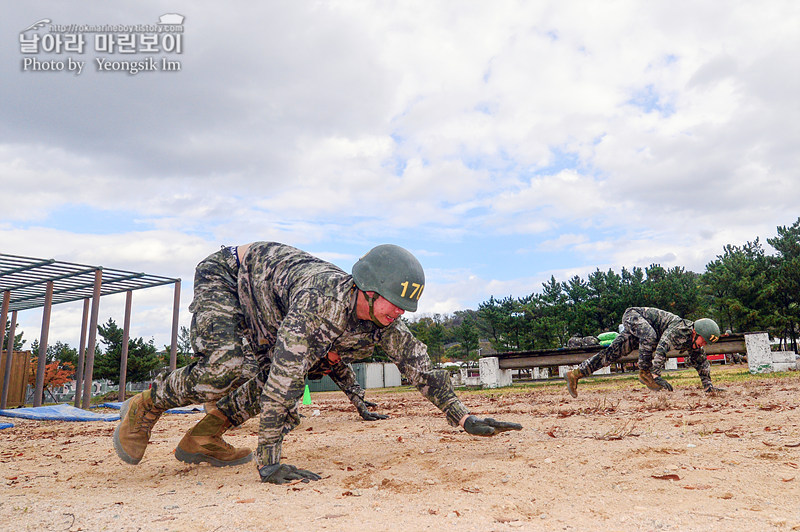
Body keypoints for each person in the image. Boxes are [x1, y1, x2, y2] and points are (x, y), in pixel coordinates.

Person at [114, 242, 522, 483]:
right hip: (230, 277)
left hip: (270, 310)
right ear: (367, 289)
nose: (399, 313)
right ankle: (145, 405)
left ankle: (203, 437)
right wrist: (269, 463)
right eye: (394, 304)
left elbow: (421, 368)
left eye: (404, 307)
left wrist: (464, 417)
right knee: (226, 368)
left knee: (272, 376)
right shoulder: (320, 304)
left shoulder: (383, 320)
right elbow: (284, 380)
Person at [563, 307, 724, 398]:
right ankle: (644, 373)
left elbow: (701, 363)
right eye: (703, 340)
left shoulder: (694, 343)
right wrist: (655, 374)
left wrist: (709, 387)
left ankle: (575, 374)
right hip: (634, 316)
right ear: (696, 332)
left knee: (611, 354)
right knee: (650, 336)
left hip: (645, 330)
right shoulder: (680, 329)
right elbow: (662, 346)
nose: (703, 344)